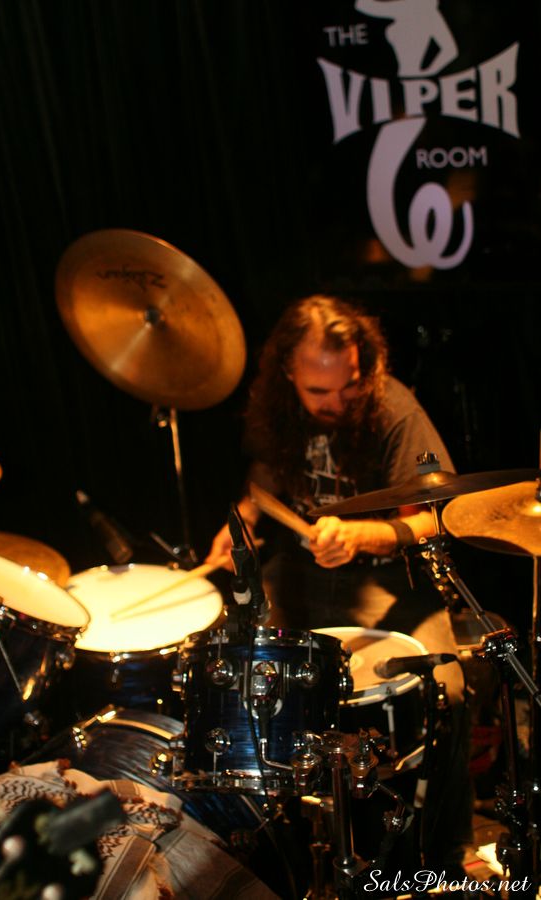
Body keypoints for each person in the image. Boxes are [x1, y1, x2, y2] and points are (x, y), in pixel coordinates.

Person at [206, 294, 473, 878]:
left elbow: (437, 517)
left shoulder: (393, 407)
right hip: (299, 573)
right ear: (288, 372)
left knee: (447, 694)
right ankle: (275, 847)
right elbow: (264, 477)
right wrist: (242, 522)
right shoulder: (276, 405)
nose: (337, 402)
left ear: (363, 365)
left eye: (348, 386)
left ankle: (449, 855)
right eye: (319, 392)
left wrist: (361, 536)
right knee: (245, 680)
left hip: (385, 579)